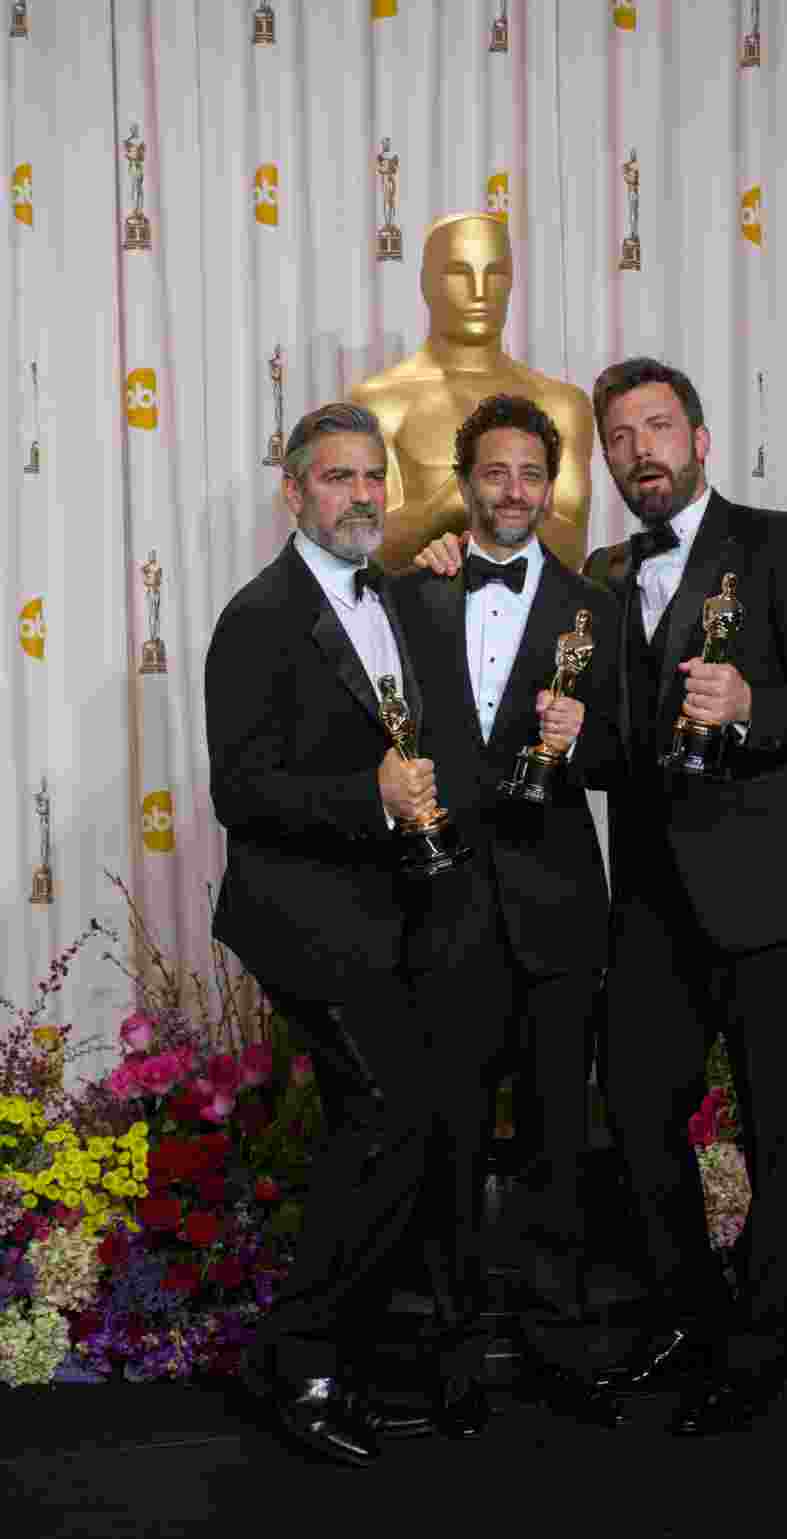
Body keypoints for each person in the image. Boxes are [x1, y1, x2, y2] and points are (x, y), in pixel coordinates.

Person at [415, 357, 787, 1435]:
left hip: (768, 897)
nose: (639, 453)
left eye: (656, 429)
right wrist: (570, 747)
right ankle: (690, 1313)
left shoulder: (779, 541)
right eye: (619, 439)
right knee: (637, 1113)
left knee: (773, 1128)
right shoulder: (607, 576)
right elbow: (615, 750)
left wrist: (753, 701)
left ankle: (760, 1347)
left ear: (699, 438)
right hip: (652, 905)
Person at [205, 402, 442, 1467]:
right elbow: (239, 790)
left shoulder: (391, 595)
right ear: (293, 495)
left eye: (371, 478)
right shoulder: (258, 616)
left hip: (382, 911)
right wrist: (371, 795)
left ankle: (332, 1358)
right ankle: (293, 1366)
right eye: (337, 478)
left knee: (384, 1126)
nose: (359, 496)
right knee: (391, 1113)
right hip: (300, 915)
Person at [389, 392, 625, 1434]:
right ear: (465, 479)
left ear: (552, 481)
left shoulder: (596, 610)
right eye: (495, 473)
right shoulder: (409, 597)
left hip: (559, 912)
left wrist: (588, 737)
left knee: (555, 1142)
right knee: (445, 1138)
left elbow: (633, 756)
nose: (515, 491)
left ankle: (557, 1342)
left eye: (532, 473)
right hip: (441, 904)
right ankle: (451, 1358)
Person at [349, 210, 593, 572]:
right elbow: (369, 546)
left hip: (538, 620)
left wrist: (451, 508)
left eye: (494, 273)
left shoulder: (563, 404)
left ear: (511, 283)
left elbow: (571, 549)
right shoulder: (379, 404)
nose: (479, 291)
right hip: (417, 619)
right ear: (426, 283)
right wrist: (473, 501)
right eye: (459, 273)